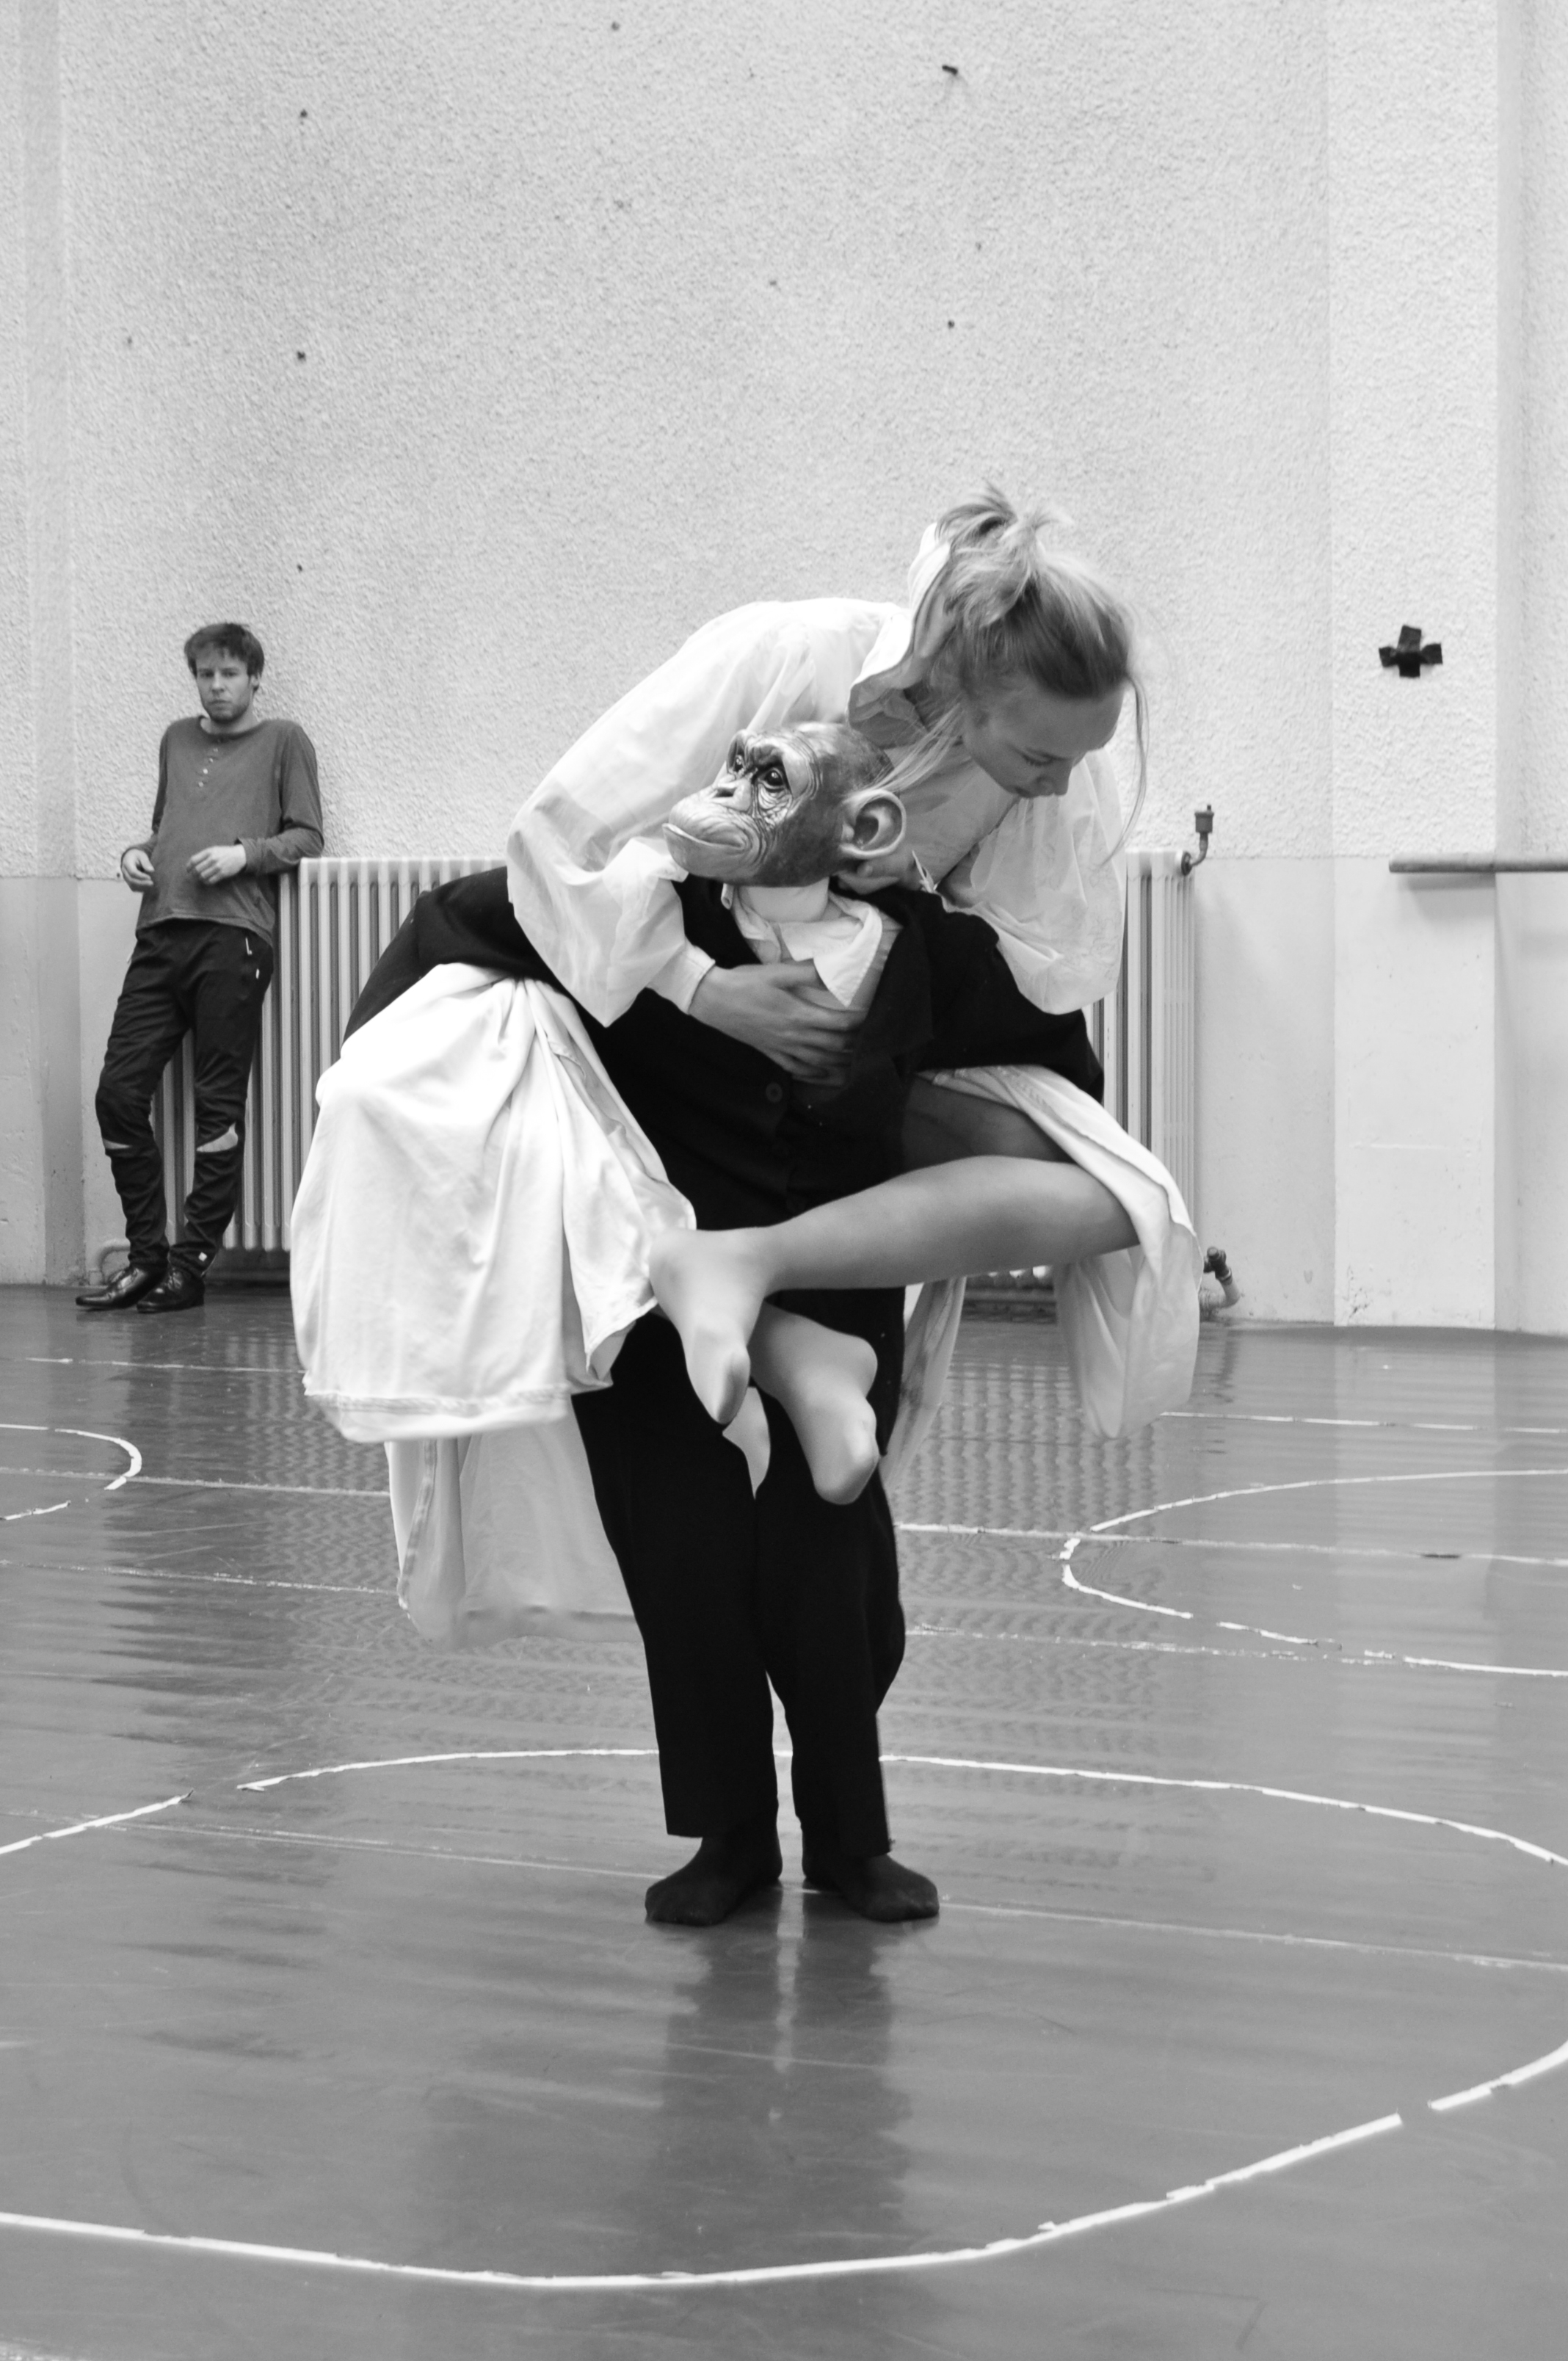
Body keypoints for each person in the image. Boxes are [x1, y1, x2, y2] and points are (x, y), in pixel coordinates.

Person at [77, 623, 322, 1315]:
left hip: (233, 939)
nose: (216, 686)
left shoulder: (285, 741)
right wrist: (137, 853)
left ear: (254, 679)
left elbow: (308, 836)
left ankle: (191, 1267)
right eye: (205, 675)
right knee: (118, 1093)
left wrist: (245, 854)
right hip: (160, 933)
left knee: (217, 1108)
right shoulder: (175, 741)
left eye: (229, 674)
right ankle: (146, 1258)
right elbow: (168, 828)